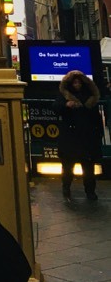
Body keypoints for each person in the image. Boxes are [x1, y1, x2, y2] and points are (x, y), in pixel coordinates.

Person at [53, 70, 103, 202]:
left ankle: (88, 191)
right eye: (74, 82)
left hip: (78, 137)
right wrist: (65, 106)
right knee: (72, 167)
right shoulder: (88, 98)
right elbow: (57, 107)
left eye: (78, 82)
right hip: (78, 137)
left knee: (84, 168)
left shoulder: (69, 95)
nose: (77, 85)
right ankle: (71, 189)